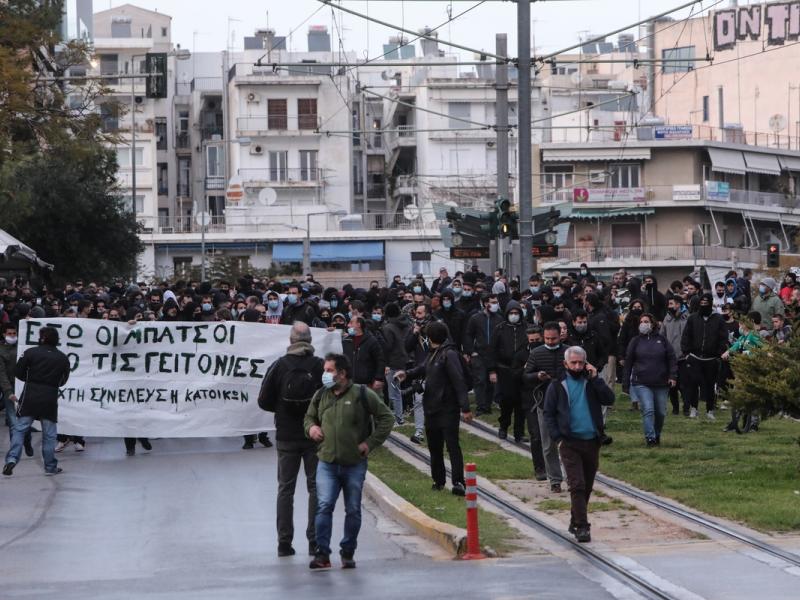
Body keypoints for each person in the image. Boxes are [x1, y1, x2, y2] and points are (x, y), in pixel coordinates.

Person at [304, 353, 394, 570]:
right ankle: (322, 554)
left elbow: (387, 418)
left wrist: (370, 443)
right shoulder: (321, 395)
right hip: (326, 462)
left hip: (354, 463)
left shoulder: (362, 394)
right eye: (325, 370)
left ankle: (348, 551)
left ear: (342, 373)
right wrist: (312, 428)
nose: (325, 374)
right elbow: (309, 417)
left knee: (353, 508)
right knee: (324, 506)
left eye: (329, 370)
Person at [258, 322, 324, 557]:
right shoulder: (319, 366)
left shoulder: (279, 366)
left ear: (291, 340)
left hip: (286, 435)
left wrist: (281, 408)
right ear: (310, 340)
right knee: (315, 487)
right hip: (314, 434)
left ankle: (284, 542)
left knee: (285, 489)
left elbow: (263, 401)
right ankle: (314, 540)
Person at [543, 346, 615, 543]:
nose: (577, 366)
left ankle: (575, 520)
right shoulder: (557, 385)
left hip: (592, 441)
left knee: (587, 486)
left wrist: (596, 379)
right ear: (565, 364)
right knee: (577, 485)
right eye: (573, 362)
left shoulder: (591, 382)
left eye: (580, 362)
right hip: (569, 442)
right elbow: (548, 413)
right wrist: (558, 437)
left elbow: (610, 399)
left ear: (586, 363)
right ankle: (583, 527)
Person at [395, 321, 473, 495]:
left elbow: (459, 381)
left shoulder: (449, 354)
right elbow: (423, 368)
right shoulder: (433, 354)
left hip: (447, 408)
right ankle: (438, 480)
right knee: (434, 446)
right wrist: (407, 373)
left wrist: (465, 408)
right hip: (431, 407)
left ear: (429, 337)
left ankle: (458, 481)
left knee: (452, 446)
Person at [3, 326, 71, 476]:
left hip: (30, 396)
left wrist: (31, 379)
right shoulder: (62, 358)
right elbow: (63, 380)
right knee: (49, 435)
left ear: (42, 338)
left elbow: (18, 372)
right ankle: (50, 466)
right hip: (50, 398)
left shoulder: (30, 352)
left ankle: (12, 460)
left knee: (20, 429)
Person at [522, 322, 566, 493]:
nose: (550, 341)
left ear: (560, 336)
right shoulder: (536, 353)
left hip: (567, 403)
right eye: (547, 338)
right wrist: (537, 376)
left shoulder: (568, 351)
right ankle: (555, 479)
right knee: (548, 445)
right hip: (544, 403)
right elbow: (525, 376)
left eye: (553, 338)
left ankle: (572, 477)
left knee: (568, 443)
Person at [623, 314, 677, 447]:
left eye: (646, 321)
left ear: (652, 324)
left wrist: (673, 376)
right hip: (641, 382)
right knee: (648, 409)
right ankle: (650, 438)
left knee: (661, 412)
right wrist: (625, 383)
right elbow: (628, 362)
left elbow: (671, 358)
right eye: (641, 322)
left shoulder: (662, 340)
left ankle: (657, 434)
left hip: (661, 382)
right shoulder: (635, 341)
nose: (643, 324)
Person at [681, 293, 728, 420]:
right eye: (701, 303)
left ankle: (710, 410)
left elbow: (723, 338)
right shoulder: (693, 318)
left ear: (711, 303)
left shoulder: (718, 319)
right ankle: (694, 409)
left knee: (710, 385)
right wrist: (686, 353)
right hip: (694, 357)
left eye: (706, 303)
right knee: (693, 384)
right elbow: (686, 336)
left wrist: (719, 352)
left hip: (711, 358)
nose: (703, 305)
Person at [488, 301, 529, 442]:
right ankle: (503, 427)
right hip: (504, 371)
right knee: (506, 402)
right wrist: (492, 370)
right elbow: (492, 351)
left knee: (521, 404)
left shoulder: (527, 328)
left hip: (522, 370)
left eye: (516, 313)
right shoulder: (499, 329)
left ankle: (519, 432)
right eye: (511, 313)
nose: (514, 316)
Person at [462, 293, 503, 415]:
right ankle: (481, 407)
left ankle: (488, 405)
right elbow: (468, 335)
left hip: (494, 354)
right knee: (480, 380)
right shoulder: (475, 318)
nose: (496, 305)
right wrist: (470, 351)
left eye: (496, 302)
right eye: (493, 302)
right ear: (486, 303)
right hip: (479, 354)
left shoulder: (499, 319)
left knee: (491, 382)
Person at [1, 323, 33, 457]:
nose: (12, 336)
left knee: (25, 420)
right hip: (11, 391)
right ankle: (14, 452)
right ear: (3, 334)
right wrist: (8, 392)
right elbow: (1, 375)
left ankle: (26, 441)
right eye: (10, 334)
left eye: (14, 334)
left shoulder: (23, 348)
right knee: (13, 422)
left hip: (25, 390)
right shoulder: (1, 351)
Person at [662, 296, 690, 416]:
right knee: (672, 385)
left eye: (671, 303)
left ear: (678, 304)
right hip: (670, 358)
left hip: (684, 357)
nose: (669, 306)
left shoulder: (687, 318)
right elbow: (662, 336)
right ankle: (675, 408)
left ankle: (687, 407)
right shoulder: (666, 318)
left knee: (685, 385)